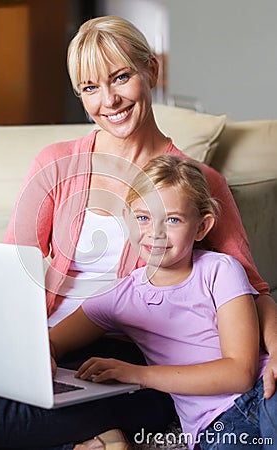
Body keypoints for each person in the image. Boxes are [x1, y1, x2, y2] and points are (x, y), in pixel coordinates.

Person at [0, 14, 275, 449]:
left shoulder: (197, 181)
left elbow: (254, 289)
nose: (110, 100)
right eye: (90, 88)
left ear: (150, 71)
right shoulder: (54, 165)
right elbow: (5, 278)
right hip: (42, 346)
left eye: (121, 78)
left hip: (123, 358)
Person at [49, 154, 277, 449]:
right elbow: (51, 342)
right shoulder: (119, 298)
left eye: (172, 219)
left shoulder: (220, 270)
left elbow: (240, 374)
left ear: (202, 227)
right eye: (143, 217)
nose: (154, 232)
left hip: (263, 392)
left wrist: (138, 375)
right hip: (214, 428)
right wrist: (45, 358)